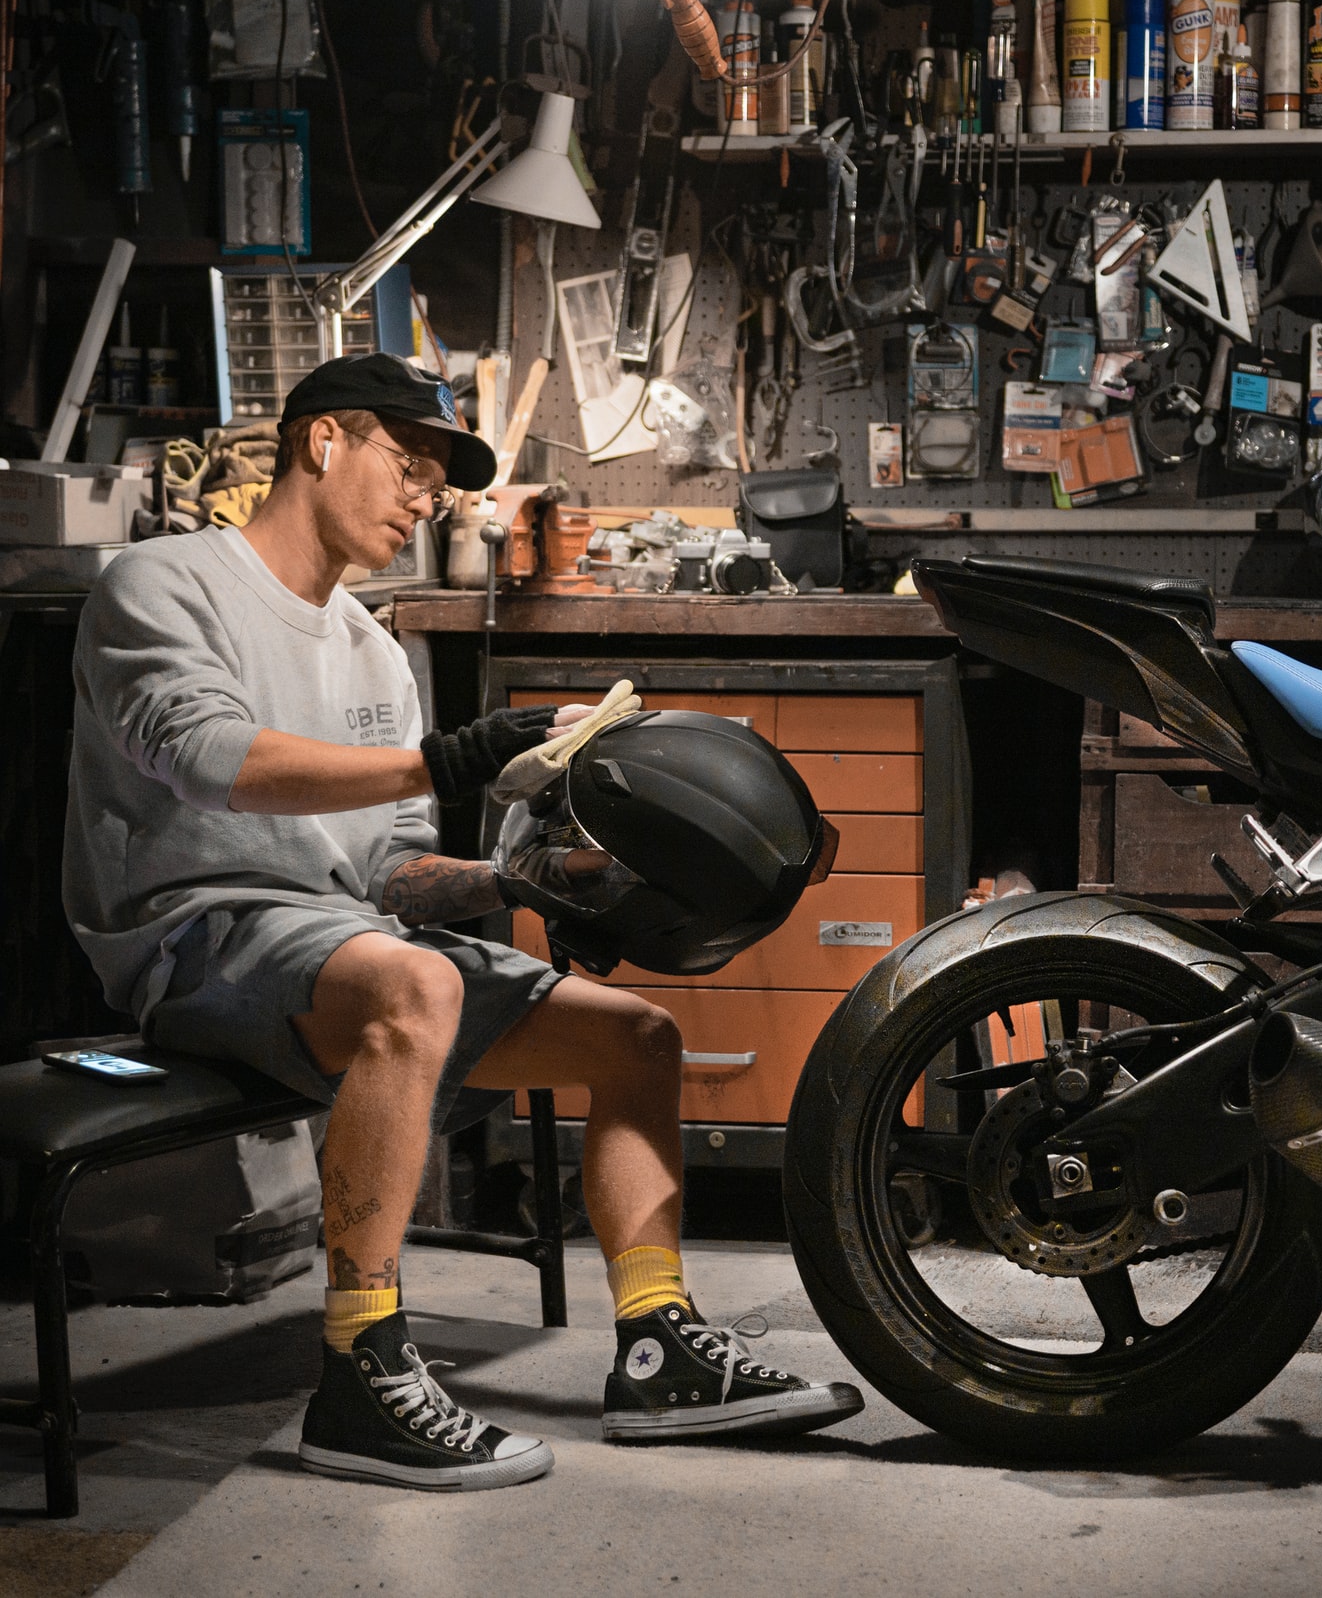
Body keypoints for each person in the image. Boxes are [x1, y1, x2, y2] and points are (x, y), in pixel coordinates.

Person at [63, 354, 862, 1492]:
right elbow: (203, 760)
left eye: (440, 481)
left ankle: (655, 1344)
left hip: (341, 941)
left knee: (637, 1037)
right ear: (322, 439)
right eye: (410, 462)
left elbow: (390, 873)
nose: (426, 495)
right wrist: (451, 755)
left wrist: (529, 881)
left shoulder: (375, 646)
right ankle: (359, 1365)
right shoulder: (160, 582)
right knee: (418, 986)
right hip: (194, 932)